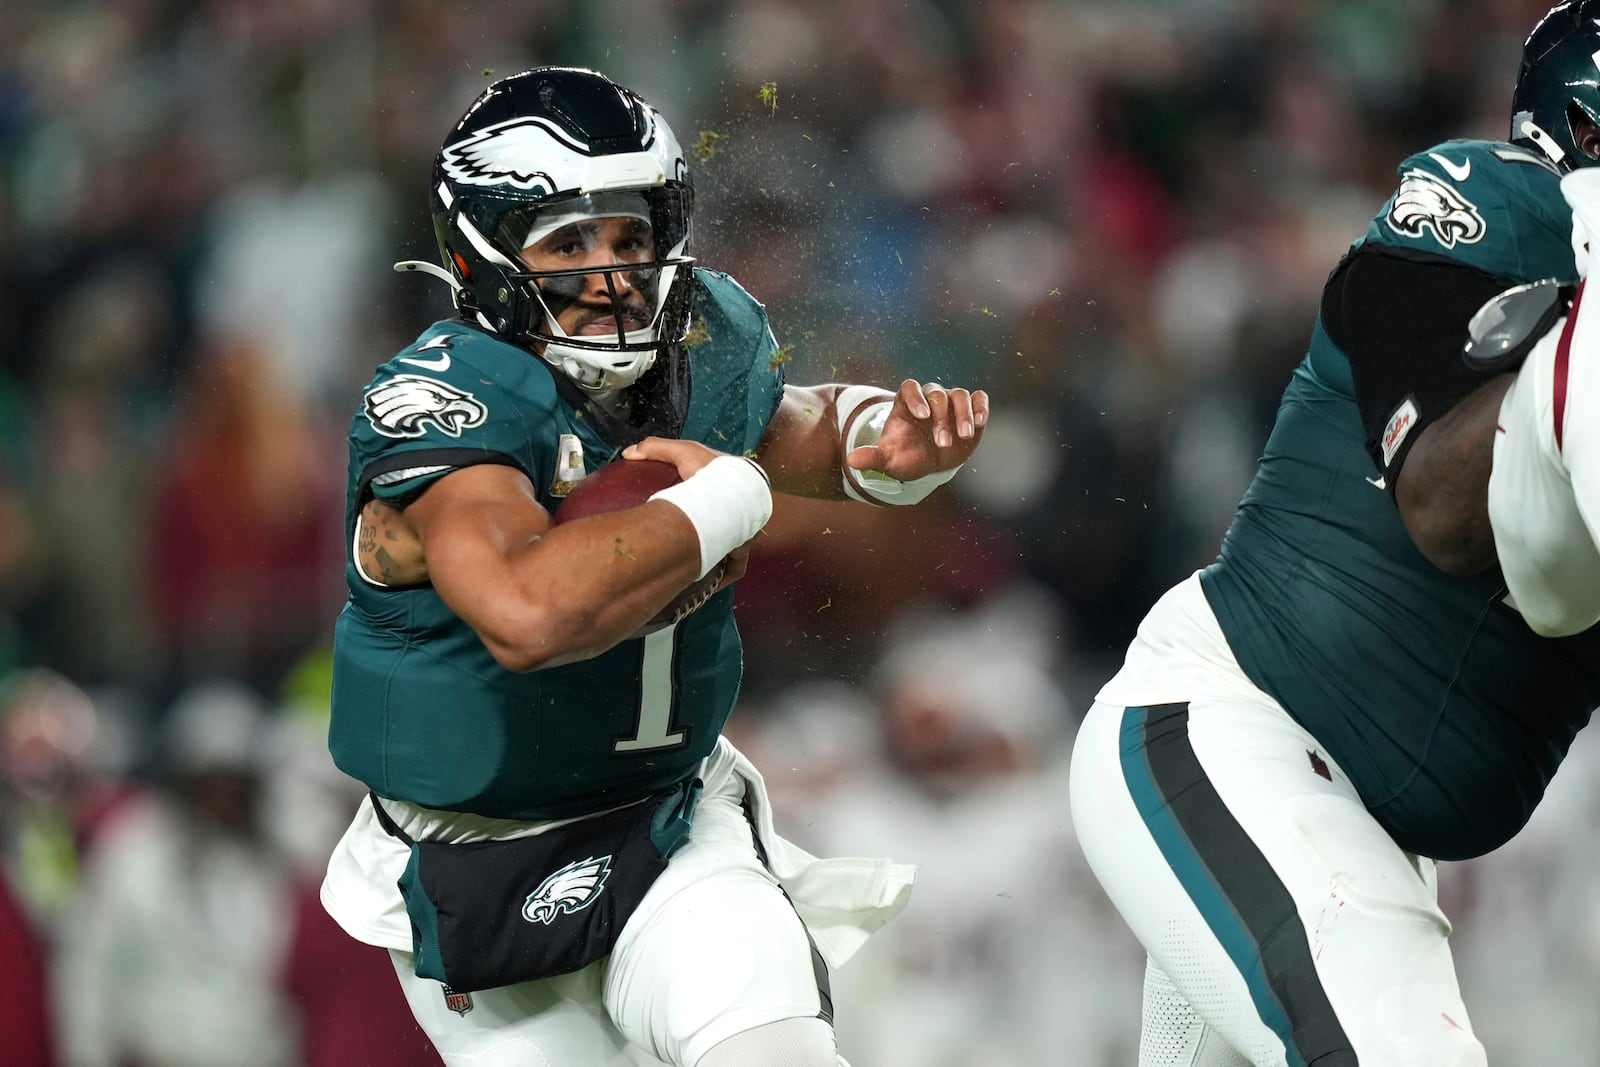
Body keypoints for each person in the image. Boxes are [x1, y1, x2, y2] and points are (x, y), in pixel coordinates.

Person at [318, 66, 987, 1067]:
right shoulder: (446, 407)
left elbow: (776, 422)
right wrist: (719, 503)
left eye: (632, 236)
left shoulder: (702, 337)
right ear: (486, 251)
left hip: (671, 824)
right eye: (570, 240)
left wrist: (875, 444)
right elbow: (525, 611)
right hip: (475, 865)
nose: (613, 272)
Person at [1068, 4, 1600, 1065]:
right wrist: (1567, 343)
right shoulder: (1485, 201)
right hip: (1230, 724)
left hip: (1362, 812)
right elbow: (1445, 512)